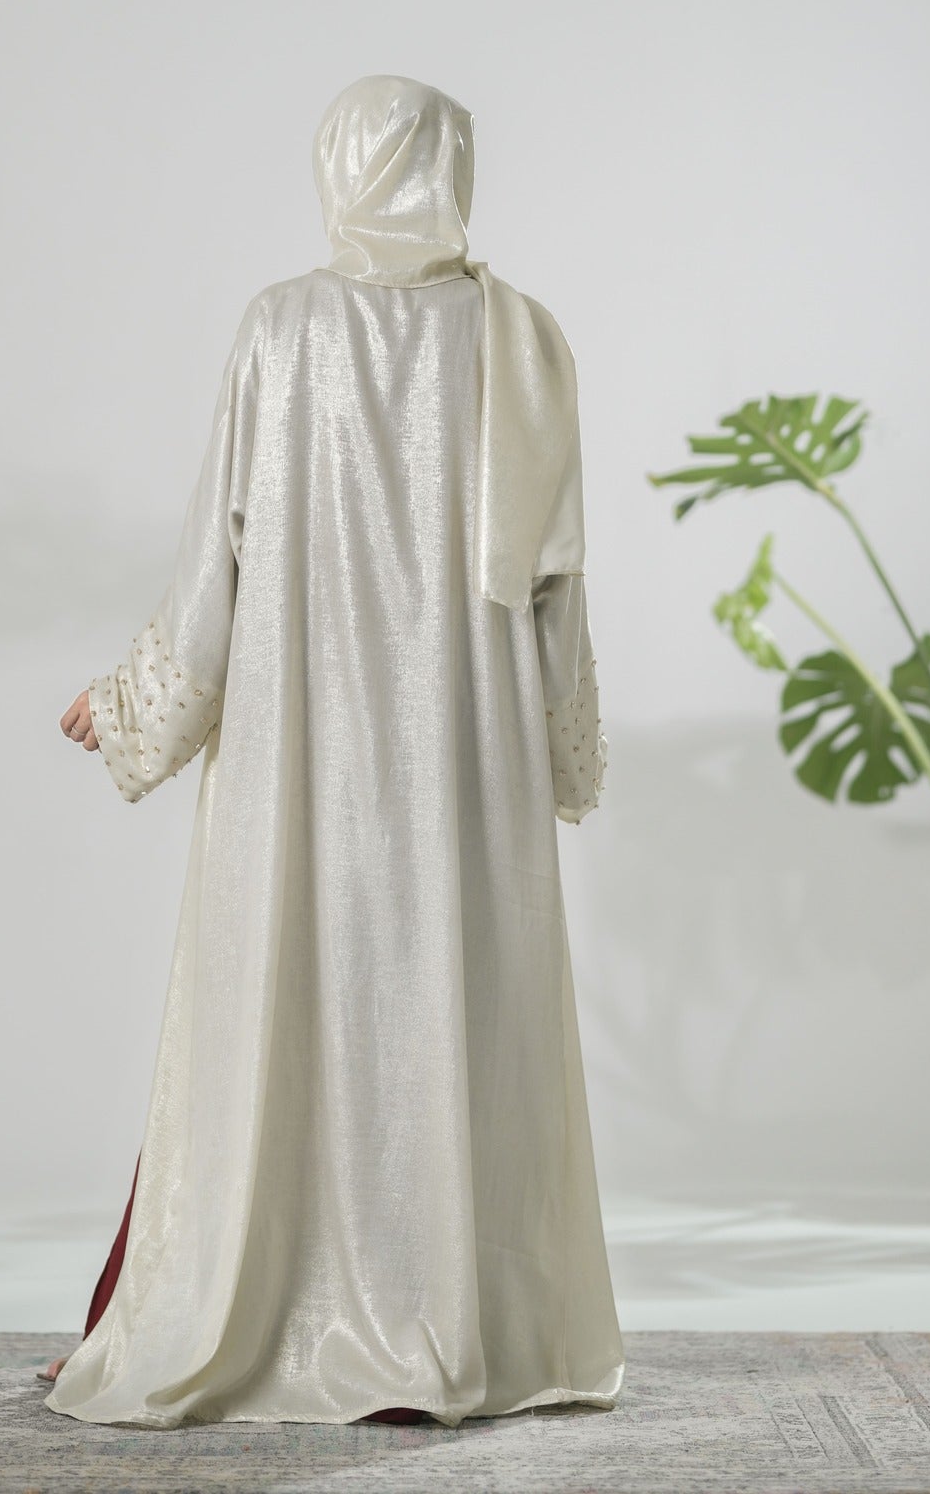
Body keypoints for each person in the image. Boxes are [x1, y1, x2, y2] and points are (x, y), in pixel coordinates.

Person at [43, 74, 623, 1429]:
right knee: (454, 1012)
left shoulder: (285, 328)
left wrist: (130, 704)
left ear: (339, 167)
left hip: (302, 757)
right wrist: (562, 752)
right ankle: (468, 1324)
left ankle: (278, 1307)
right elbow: (558, 589)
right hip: (470, 760)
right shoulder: (522, 342)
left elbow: (220, 560)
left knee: (295, 999)